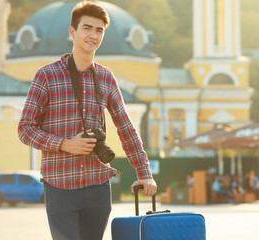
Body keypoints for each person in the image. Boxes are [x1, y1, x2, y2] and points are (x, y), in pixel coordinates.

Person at [18, 1, 157, 239]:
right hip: (60, 185)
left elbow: (126, 128)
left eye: (99, 30)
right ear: (72, 32)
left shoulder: (105, 77)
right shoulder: (47, 75)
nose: (93, 35)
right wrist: (64, 144)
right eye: (87, 28)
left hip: (97, 185)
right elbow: (25, 129)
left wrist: (144, 172)